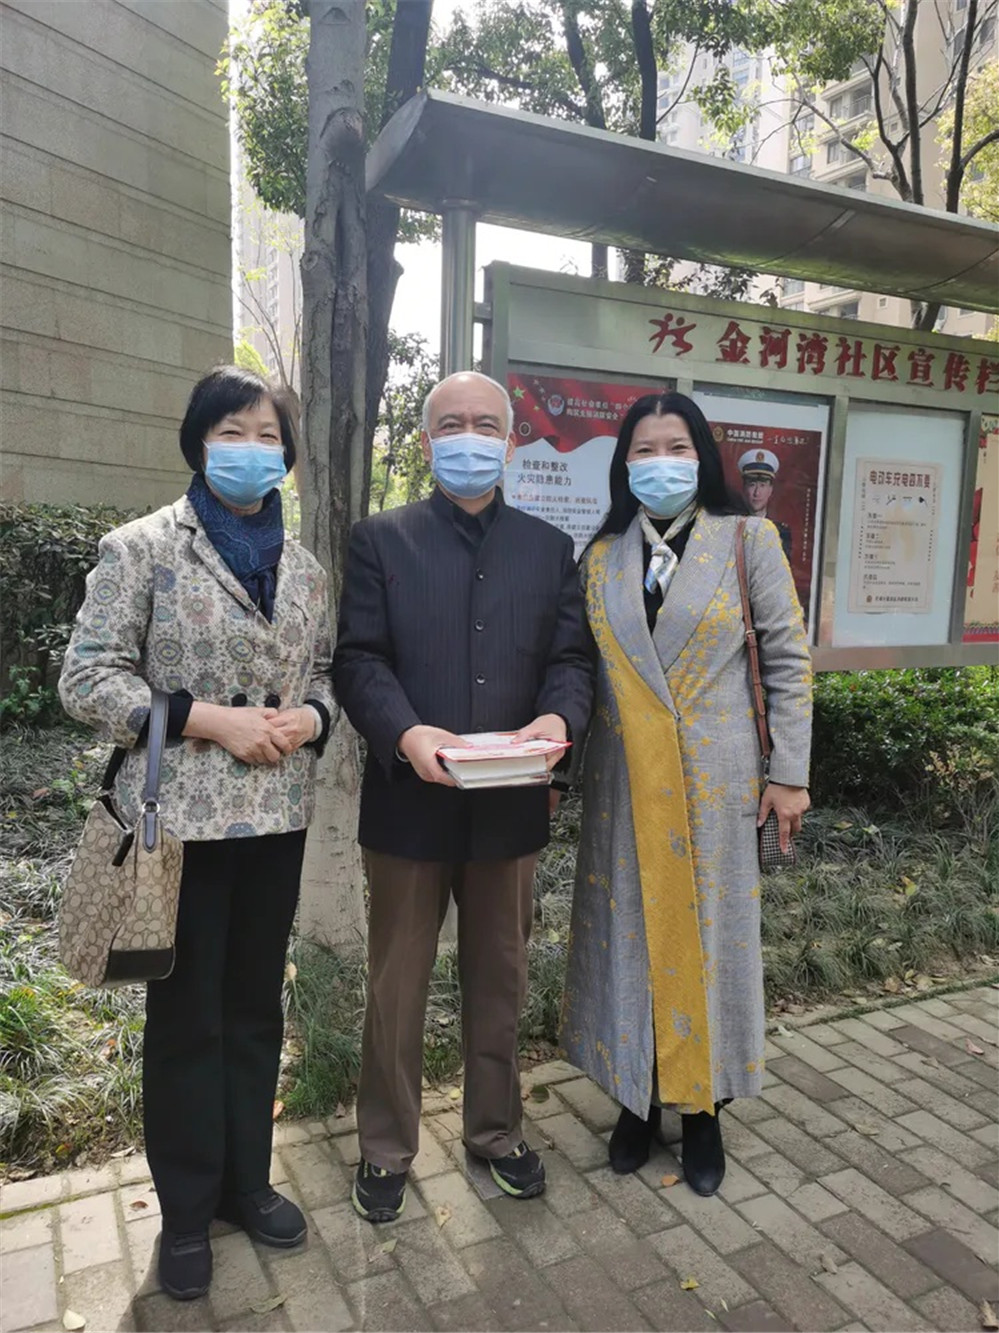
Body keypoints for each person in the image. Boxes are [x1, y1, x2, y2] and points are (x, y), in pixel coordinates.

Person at [59, 366, 335, 1301]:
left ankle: (245, 1182)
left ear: (285, 455)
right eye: (232, 430)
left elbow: (323, 674)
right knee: (186, 1019)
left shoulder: (307, 570)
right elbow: (86, 678)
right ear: (199, 440)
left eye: (267, 435)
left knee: (255, 1008)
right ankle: (184, 1210)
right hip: (177, 825)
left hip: (277, 819)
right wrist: (206, 719)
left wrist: (311, 718)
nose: (251, 448)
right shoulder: (141, 548)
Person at [333, 371, 594, 1221]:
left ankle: (495, 1131)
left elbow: (571, 659)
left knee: (500, 979)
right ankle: (385, 1146)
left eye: (487, 423)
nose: (470, 436)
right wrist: (407, 733)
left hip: (510, 805)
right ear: (426, 441)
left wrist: (558, 716)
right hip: (408, 804)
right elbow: (358, 658)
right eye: (452, 424)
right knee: (396, 985)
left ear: (511, 441)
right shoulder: (381, 541)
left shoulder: (548, 549)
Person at [561, 392, 811, 1196]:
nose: (661, 462)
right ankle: (636, 1096)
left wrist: (790, 774)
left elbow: (787, 657)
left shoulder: (748, 540)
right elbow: (579, 672)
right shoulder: (601, 557)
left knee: (708, 940)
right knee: (629, 936)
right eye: (644, 448)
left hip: (716, 781)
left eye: (677, 446)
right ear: (624, 463)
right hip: (626, 780)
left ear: (702, 456)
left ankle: (703, 1108)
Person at [739, 447, 793, 561]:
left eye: (762, 485)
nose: (757, 493)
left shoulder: (780, 532)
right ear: (744, 488)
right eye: (752, 485)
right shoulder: (732, 527)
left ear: (770, 490)